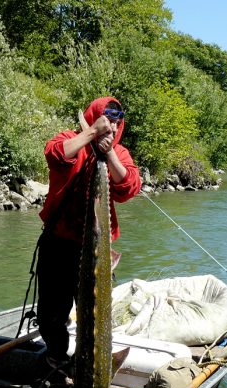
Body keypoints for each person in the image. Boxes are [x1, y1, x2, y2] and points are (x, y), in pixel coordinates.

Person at [35, 97, 141, 363]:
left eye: (117, 122)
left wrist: (110, 153)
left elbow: (128, 187)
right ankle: (56, 359)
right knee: (51, 313)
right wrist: (91, 133)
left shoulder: (121, 153)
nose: (112, 127)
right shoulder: (72, 138)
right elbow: (56, 153)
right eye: (107, 120)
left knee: (94, 313)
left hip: (96, 247)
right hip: (58, 242)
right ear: (95, 116)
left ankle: (90, 364)